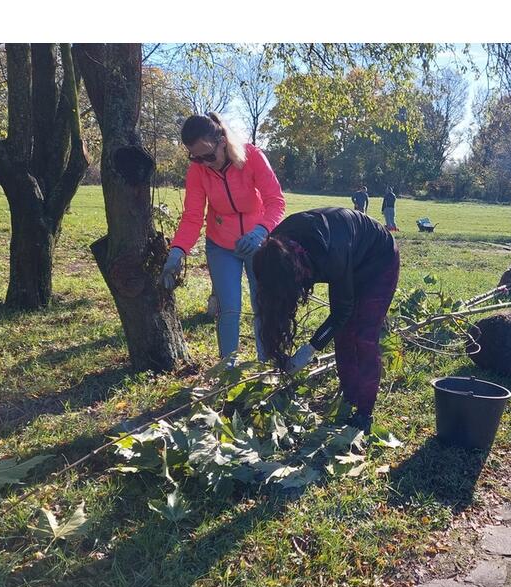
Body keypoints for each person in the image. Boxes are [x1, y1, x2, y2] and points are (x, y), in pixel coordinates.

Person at [251, 207, 400, 431]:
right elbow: (273, 300)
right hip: (348, 255)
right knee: (342, 337)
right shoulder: (271, 253)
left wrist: (310, 349)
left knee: (363, 336)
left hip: (378, 259)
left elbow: (341, 312)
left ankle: (364, 413)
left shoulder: (332, 255)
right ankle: (350, 397)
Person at [160, 112, 286, 364]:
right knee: (228, 309)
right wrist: (177, 251)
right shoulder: (198, 171)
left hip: (258, 244)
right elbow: (193, 216)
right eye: (195, 157)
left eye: (208, 155)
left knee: (262, 305)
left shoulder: (253, 157)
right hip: (220, 245)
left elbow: (276, 202)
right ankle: (228, 372)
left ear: (222, 140)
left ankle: (267, 365)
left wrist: (261, 231)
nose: (204, 163)